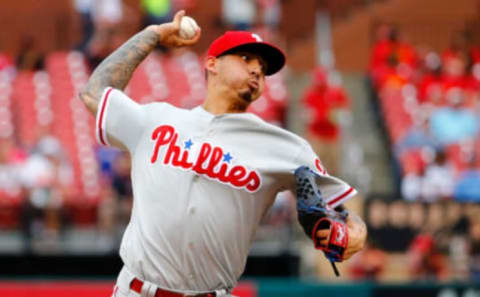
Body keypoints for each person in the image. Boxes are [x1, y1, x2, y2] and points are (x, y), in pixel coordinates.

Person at [79, 11, 366, 297]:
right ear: (212, 64)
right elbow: (94, 92)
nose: (257, 70)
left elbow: (345, 213)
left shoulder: (285, 147)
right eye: (246, 59)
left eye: (263, 68)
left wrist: (352, 234)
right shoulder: (155, 120)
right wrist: (152, 34)